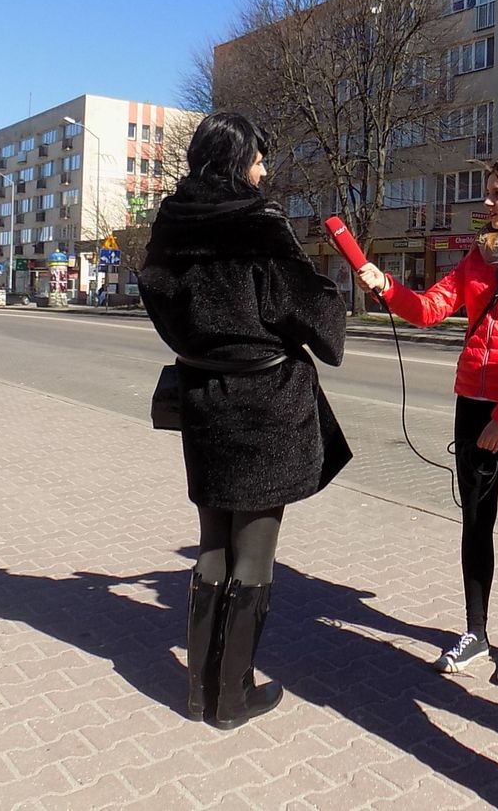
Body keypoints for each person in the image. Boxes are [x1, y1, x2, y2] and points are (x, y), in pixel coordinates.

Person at [139, 111, 351, 730]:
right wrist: (332, 300)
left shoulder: (172, 221)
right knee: (254, 551)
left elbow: (157, 293)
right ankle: (232, 697)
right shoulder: (259, 223)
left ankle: (199, 692)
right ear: (236, 161)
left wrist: (200, 341)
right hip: (265, 405)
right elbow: (305, 306)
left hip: (205, 399)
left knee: (213, 541)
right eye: (258, 160)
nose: (263, 171)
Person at [355, 157, 498, 686]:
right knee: (475, 523)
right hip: (471, 403)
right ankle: (475, 631)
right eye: (486, 192)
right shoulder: (480, 257)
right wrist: (385, 286)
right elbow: (429, 308)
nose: (486, 203)